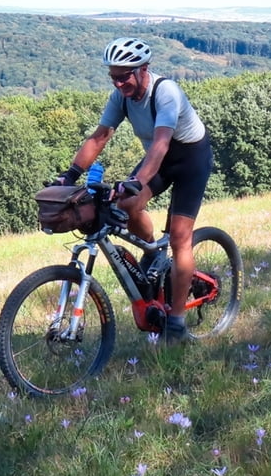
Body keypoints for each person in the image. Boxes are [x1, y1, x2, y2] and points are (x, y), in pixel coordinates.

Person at [53, 37, 213, 345]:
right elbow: (100, 137)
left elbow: (162, 143)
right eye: (113, 76)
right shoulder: (121, 97)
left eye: (124, 75)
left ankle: (177, 323)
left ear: (143, 70)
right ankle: (153, 253)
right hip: (159, 159)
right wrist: (70, 174)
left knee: (180, 238)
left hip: (190, 158)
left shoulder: (165, 92)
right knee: (125, 204)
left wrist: (137, 180)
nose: (118, 82)